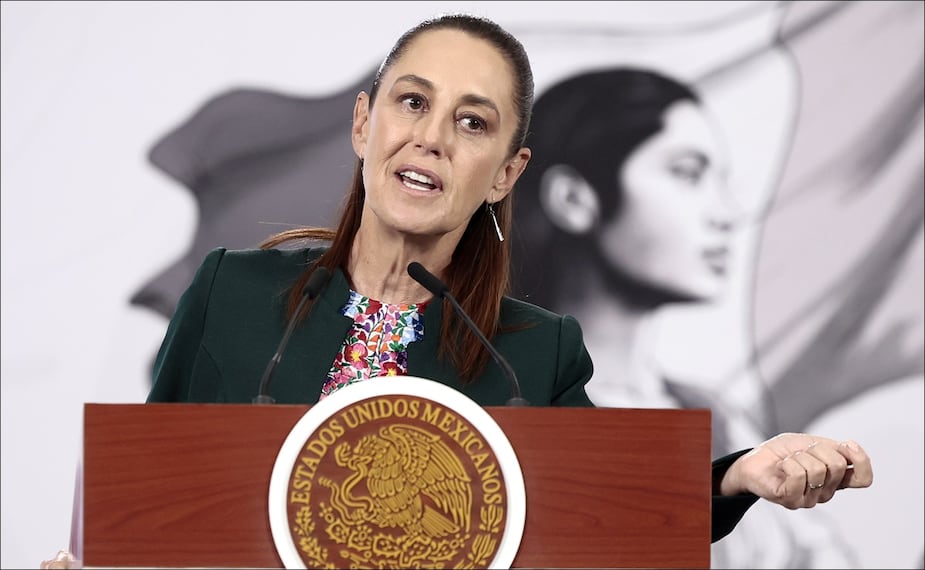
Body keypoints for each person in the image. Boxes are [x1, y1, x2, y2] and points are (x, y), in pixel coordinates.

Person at [143, 11, 870, 551]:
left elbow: (614, 507)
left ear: (505, 174)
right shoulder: (228, 293)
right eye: (412, 101)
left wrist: (737, 473)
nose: (431, 136)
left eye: (472, 122)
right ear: (364, 124)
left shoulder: (533, 350)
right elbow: (144, 505)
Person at [507, 67, 863, 568]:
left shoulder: (718, 419)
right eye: (688, 173)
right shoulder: (503, 405)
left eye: (721, 180)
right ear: (574, 198)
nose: (727, 212)